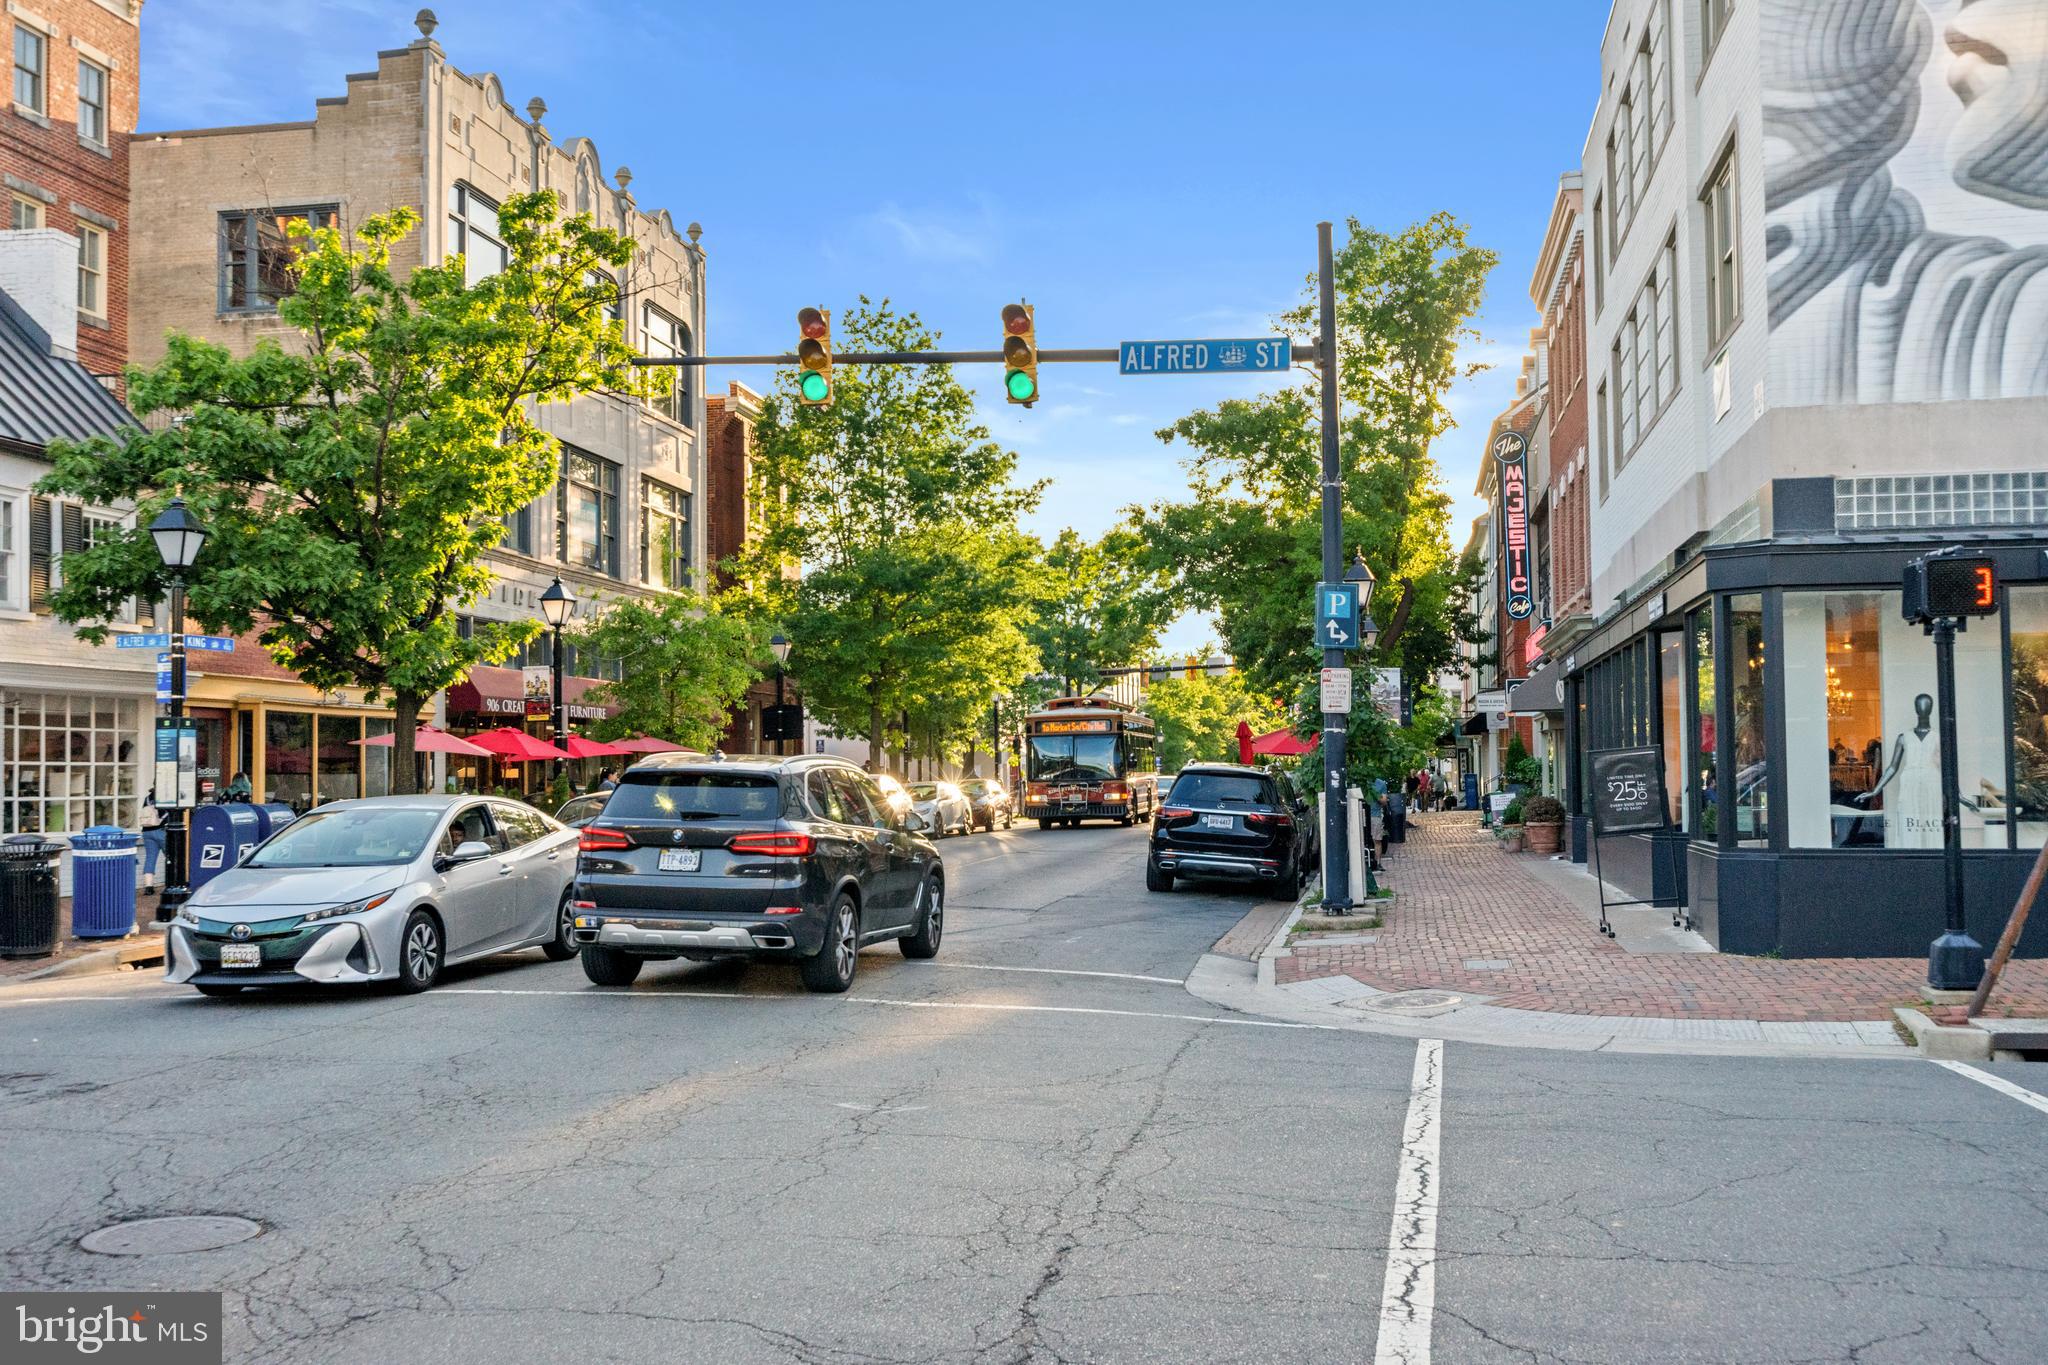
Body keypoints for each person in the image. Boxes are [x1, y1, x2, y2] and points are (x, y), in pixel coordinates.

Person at [138, 790, 165, 893]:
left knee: (150, 858)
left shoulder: (148, 798)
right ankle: (173, 883)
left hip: (147, 831)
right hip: (161, 831)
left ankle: (148, 887)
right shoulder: (165, 798)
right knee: (172, 858)